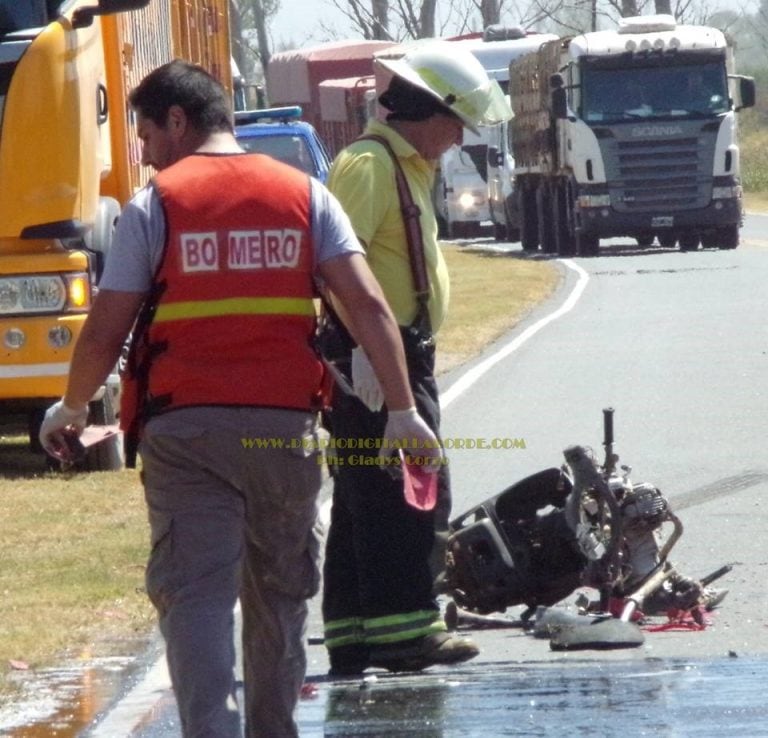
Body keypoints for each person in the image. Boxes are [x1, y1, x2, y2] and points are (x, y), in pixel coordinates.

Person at [38, 59, 443, 738]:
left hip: (185, 433)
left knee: (195, 594)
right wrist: (403, 411)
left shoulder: (155, 205)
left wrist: (72, 407)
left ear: (177, 120)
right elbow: (369, 306)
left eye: (145, 135)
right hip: (282, 431)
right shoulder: (305, 196)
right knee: (279, 595)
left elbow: (108, 327)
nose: (144, 153)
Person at [320, 42, 512, 676]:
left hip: (386, 354)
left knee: (361, 502)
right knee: (412, 496)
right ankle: (407, 634)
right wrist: (365, 357)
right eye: (455, 123)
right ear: (427, 111)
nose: (458, 139)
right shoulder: (371, 166)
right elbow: (328, 270)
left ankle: (354, 635)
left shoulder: (403, 167)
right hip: (379, 359)